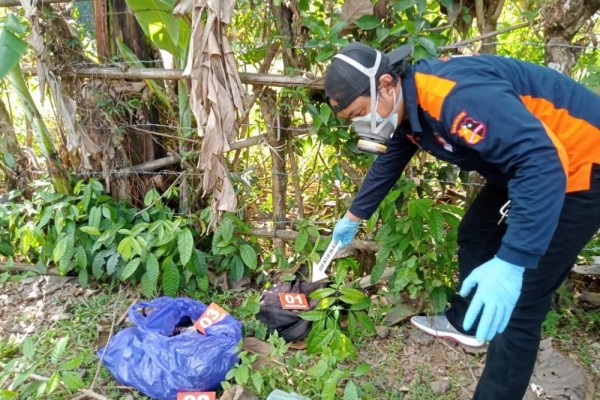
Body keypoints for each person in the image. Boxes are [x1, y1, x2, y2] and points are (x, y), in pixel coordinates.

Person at [324, 42, 600, 400]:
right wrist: (353, 216)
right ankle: (467, 322)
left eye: (360, 112)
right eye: (351, 120)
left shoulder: (453, 96)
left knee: (520, 304)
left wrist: (513, 262)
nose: (362, 123)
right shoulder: (408, 108)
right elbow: (392, 158)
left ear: (387, 84)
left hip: (579, 163)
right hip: (528, 164)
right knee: (477, 233)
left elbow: (542, 161)